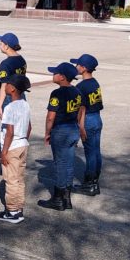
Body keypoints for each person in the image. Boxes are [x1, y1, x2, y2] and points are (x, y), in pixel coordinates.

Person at [38, 63, 82, 211]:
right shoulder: (77, 91)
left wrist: (47, 133)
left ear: (62, 77)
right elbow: (81, 110)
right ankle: (66, 198)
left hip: (61, 130)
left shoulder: (57, 94)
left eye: (55, 72)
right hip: (73, 129)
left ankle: (57, 199)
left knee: (60, 165)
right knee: (69, 164)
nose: (53, 75)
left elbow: (51, 117)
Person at [0, 74, 32, 224]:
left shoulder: (9, 107)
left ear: (13, 88)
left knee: (10, 180)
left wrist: (4, 152)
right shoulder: (25, 104)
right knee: (19, 178)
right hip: (22, 144)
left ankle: (12, 211)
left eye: (7, 84)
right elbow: (29, 127)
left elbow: (9, 131)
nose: (5, 86)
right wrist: (23, 139)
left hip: (12, 146)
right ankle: (19, 207)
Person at [71, 54, 103, 196]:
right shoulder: (95, 83)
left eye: (77, 65)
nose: (75, 67)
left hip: (87, 120)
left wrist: (80, 128)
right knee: (96, 151)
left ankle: (89, 184)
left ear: (83, 68)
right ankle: (95, 182)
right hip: (97, 118)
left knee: (90, 153)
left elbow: (80, 110)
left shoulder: (81, 86)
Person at [0, 33, 27, 120]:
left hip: (9, 97)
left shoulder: (6, 64)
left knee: (8, 124)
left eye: (1, 43)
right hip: (20, 95)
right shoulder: (22, 60)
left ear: (6, 46)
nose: (0, 45)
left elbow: (4, 84)